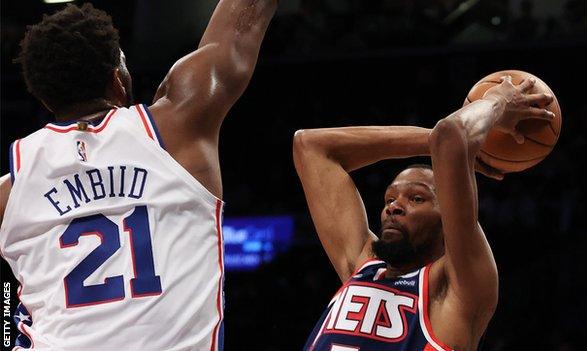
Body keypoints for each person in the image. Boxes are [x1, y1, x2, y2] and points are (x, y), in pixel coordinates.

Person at [0, 1, 276, 350]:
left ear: (44, 98)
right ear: (117, 80)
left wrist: (8, 329)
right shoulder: (179, 129)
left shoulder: (10, 191)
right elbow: (243, 23)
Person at [293, 76, 554, 350]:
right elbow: (310, 146)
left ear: (447, 220)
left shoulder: (456, 290)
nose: (393, 206)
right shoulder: (362, 265)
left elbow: (451, 136)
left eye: (416, 198)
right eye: (390, 198)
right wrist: (431, 141)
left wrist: (499, 102)